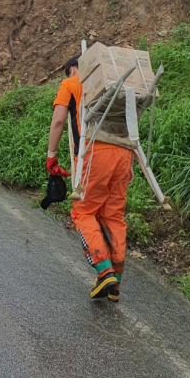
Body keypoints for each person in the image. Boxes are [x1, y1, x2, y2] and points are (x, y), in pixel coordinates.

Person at [46, 57, 133, 302]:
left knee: (83, 213)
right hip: (124, 153)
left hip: (94, 154)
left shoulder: (71, 83)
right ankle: (115, 284)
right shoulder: (114, 83)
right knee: (113, 215)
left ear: (72, 69)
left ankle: (104, 271)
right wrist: (130, 163)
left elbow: (59, 121)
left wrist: (51, 156)